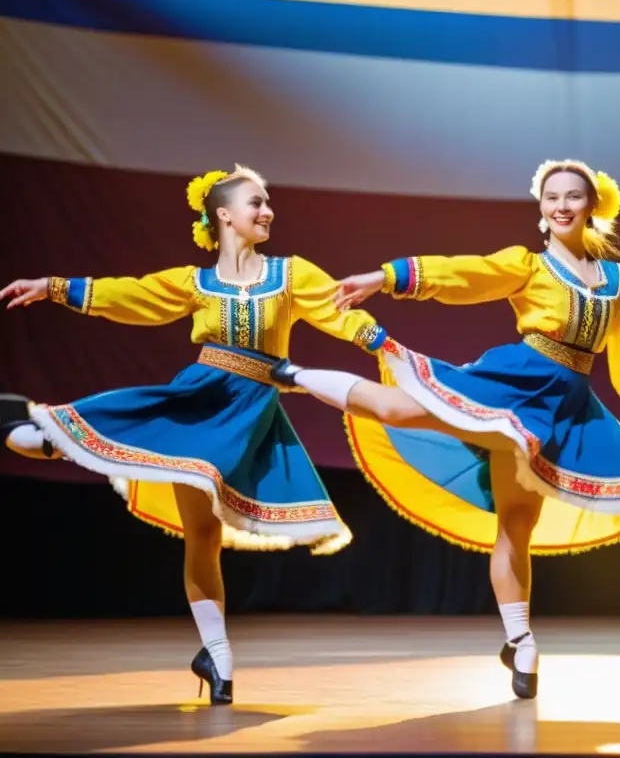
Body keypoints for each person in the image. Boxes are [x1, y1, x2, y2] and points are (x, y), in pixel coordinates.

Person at [269, 159, 620, 699]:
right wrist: (384, 277)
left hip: (568, 404)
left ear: (592, 206)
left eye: (572, 197)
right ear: (540, 207)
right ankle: (297, 374)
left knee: (516, 523)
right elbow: (460, 273)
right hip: (518, 383)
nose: (561, 205)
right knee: (397, 410)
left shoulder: (617, 280)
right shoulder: (528, 266)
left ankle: (522, 642)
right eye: (551, 196)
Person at [0, 165, 387, 704]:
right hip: (201, 399)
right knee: (183, 519)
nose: (268, 210)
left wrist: (383, 345)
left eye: (268, 201)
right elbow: (132, 295)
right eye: (256, 202)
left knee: (204, 535)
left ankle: (215, 656)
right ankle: (220, 657)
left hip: (251, 411)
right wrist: (55, 288)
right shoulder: (196, 283)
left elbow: (336, 308)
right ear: (224, 215)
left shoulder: (291, 274)